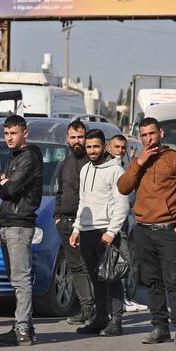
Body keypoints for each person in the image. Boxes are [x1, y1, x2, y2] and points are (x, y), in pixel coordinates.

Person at [117, 117, 176, 348]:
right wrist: (139, 162)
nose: (148, 138)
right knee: (152, 282)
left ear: (161, 133)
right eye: (143, 135)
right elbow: (123, 187)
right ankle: (160, 327)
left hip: (168, 230)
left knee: (174, 282)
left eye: (152, 133)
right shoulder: (138, 161)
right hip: (143, 230)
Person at [69, 129, 130, 337]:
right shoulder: (85, 169)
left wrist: (112, 232)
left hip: (106, 232)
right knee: (96, 277)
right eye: (88, 147)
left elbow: (122, 205)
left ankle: (117, 321)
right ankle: (101, 318)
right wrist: (77, 228)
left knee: (112, 277)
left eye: (95, 146)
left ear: (104, 147)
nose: (92, 151)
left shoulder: (116, 171)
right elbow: (83, 201)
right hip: (87, 231)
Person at [0, 115, 43, 346]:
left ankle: (22, 329)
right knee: (16, 279)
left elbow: (9, 188)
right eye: (6, 133)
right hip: (8, 222)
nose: (9, 138)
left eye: (14, 133)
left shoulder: (29, 156)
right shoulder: (15, 157)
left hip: (20, 224)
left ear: (25, 133)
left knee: (21, 280)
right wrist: (0, 184)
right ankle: (24, 327)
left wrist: (3, 184)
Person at [53, 120, 96, 325]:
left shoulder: (93, 161)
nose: (77, 141)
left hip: (88, 224)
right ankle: (86, 309)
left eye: (80, 137)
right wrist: (57, 216)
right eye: (73, 137)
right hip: (66, 222)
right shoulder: (65, 163)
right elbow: (60, 192)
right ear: (67, 140)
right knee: (76, 268)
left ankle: (100, 311)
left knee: (91, 267)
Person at [107, 134, 148, 313]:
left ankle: (124, 298)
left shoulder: (124, 165)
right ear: (109, 148)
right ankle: (117, 301)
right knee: (116, 262)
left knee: (124, 262)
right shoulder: (108, 167)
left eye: (123, 148)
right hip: (110, 223)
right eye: (117, 147)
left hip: (125, 221)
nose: (120, 151)